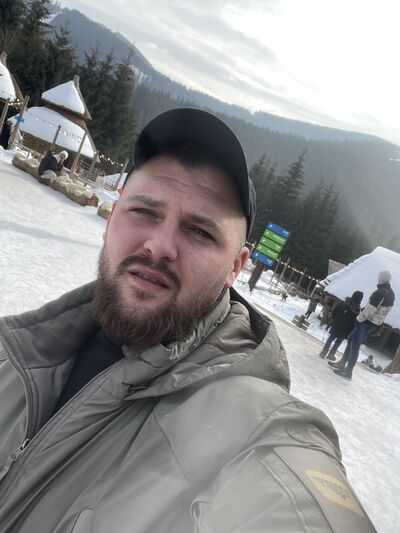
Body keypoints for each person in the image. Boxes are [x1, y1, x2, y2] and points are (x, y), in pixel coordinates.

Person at [0, 109, 376, 532]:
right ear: (112, 217)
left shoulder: (252, 429)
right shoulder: (14, 352)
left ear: (236, 267)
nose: (160, 245)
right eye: (144, 211)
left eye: (200, 232)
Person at [329, 270, 395, 380]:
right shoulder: (391, 294)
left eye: (379, 277)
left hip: (366, 322)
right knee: (351, 339)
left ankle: (348, 372)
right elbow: (385, 312)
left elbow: (370, 309)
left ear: (381, 279)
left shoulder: (380, 292)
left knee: (355, 345)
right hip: (374, 323)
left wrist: (359, 319)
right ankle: (342, 363)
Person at [319, 291, 363, 360]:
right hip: (345, 329)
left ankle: (323, 352)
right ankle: (331, 354)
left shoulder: (344, 303)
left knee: (330, 338)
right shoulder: (356, 309)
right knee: (338, 342)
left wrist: (335, 320)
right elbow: (354, 322)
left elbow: (334, 312)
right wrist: (350, 331)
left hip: (336, 324)